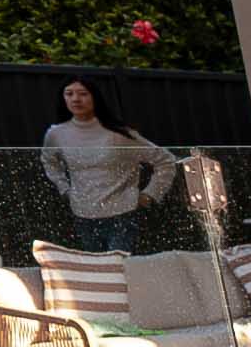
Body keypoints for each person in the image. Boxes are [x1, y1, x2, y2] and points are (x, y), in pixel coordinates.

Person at [37, 78, 176, 253]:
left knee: (119, 268)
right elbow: (49, 161)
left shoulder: (119, 134)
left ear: (95, 97)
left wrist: (149, 195)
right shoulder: (56, 134)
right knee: (96, 271)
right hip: (83, 214)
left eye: (83, 94)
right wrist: (64, 188)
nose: (75, 99)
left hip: (123, 213)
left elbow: (166, 161)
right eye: (69, 94)